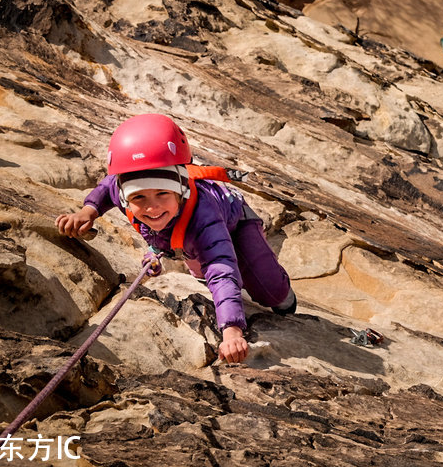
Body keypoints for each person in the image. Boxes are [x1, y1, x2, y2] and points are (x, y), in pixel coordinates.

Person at [56, 114, 296, 364]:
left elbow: (222, 270)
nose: (152, 207)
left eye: (162, 193)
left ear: (181, 190)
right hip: (187, 235)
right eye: (139, 198)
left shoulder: (204, 215)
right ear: (126, 197)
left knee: (271, 292)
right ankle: (192, 259)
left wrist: (232, 331)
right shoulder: (123, 189)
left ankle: (285, 296)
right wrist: (88, 211)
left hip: (237, 223)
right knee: (201, 267)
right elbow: (107, 188)